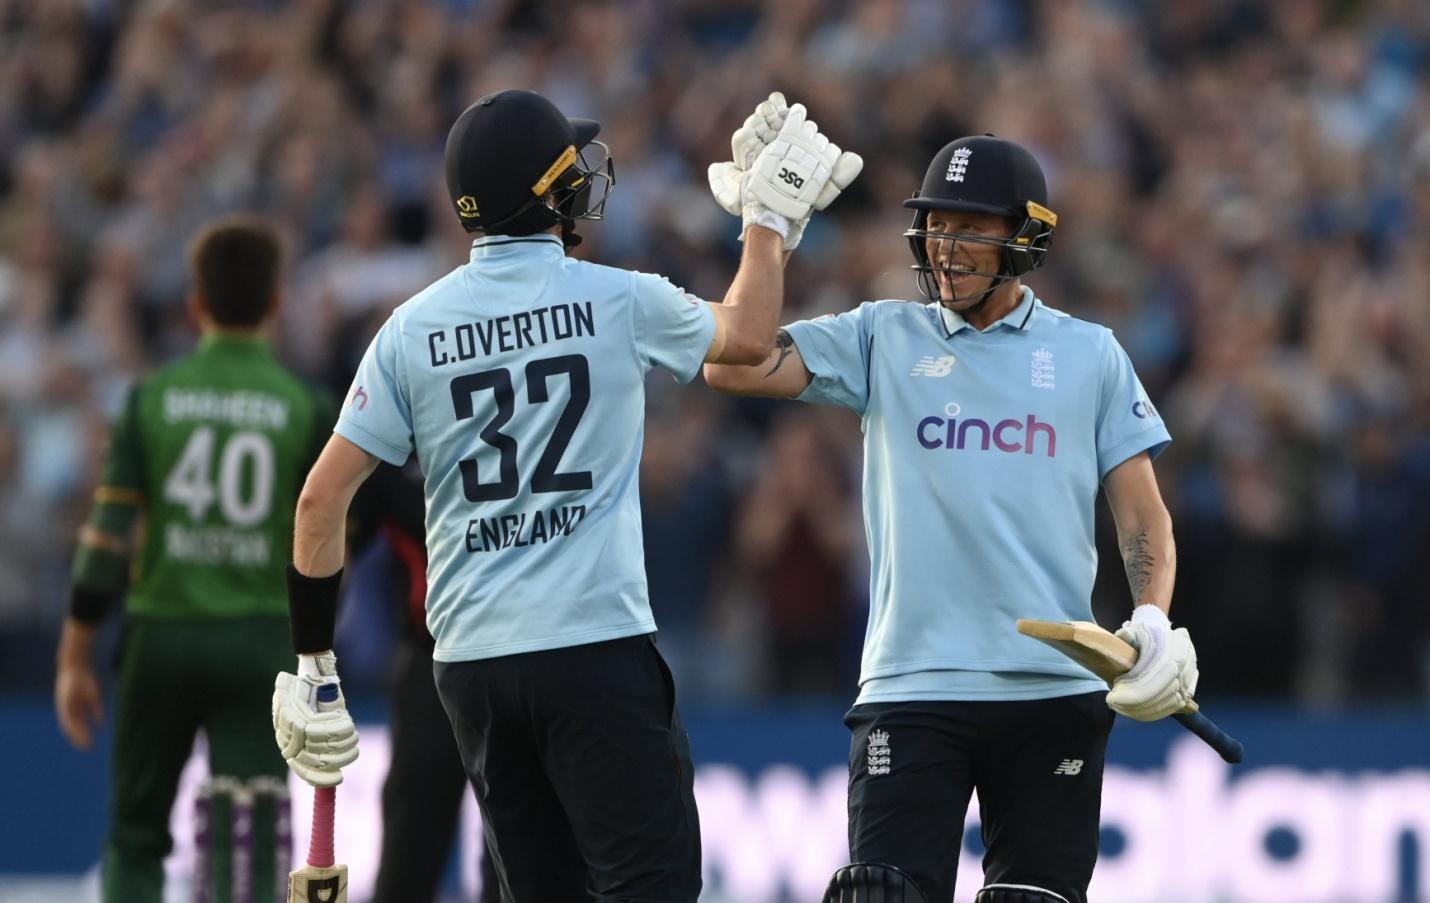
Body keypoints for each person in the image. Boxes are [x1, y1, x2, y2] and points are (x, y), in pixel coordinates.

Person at [268, 88, 861, 902]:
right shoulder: (614, 296)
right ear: (546, 192)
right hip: (590, 644)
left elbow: (318, 504)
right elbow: (750, 338)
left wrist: (312, 662)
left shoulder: (408, 327)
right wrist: (768, 221)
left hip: (471, 665)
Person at [704, 130, 1199, 903]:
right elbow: (731, 361)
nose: (947, 247)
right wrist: (766, 228)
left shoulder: (1090, 353)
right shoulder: (880, 335)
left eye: (971, 228)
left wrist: (1152, 618)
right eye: (937, 225)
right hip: (911, 685)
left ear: (1026, 236)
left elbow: (1143, 519)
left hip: (1052, 689)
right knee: (881, 894)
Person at [53, 216, 335, 903]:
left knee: (136, 835)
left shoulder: (151, 400)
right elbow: (332, 546)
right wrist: (318, 658)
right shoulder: (305, 406)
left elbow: (104, 539)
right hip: (261, 638)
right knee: (260, 827)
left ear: (194, 304)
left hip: (163, 632)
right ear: (275, 303)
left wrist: (73, 656)